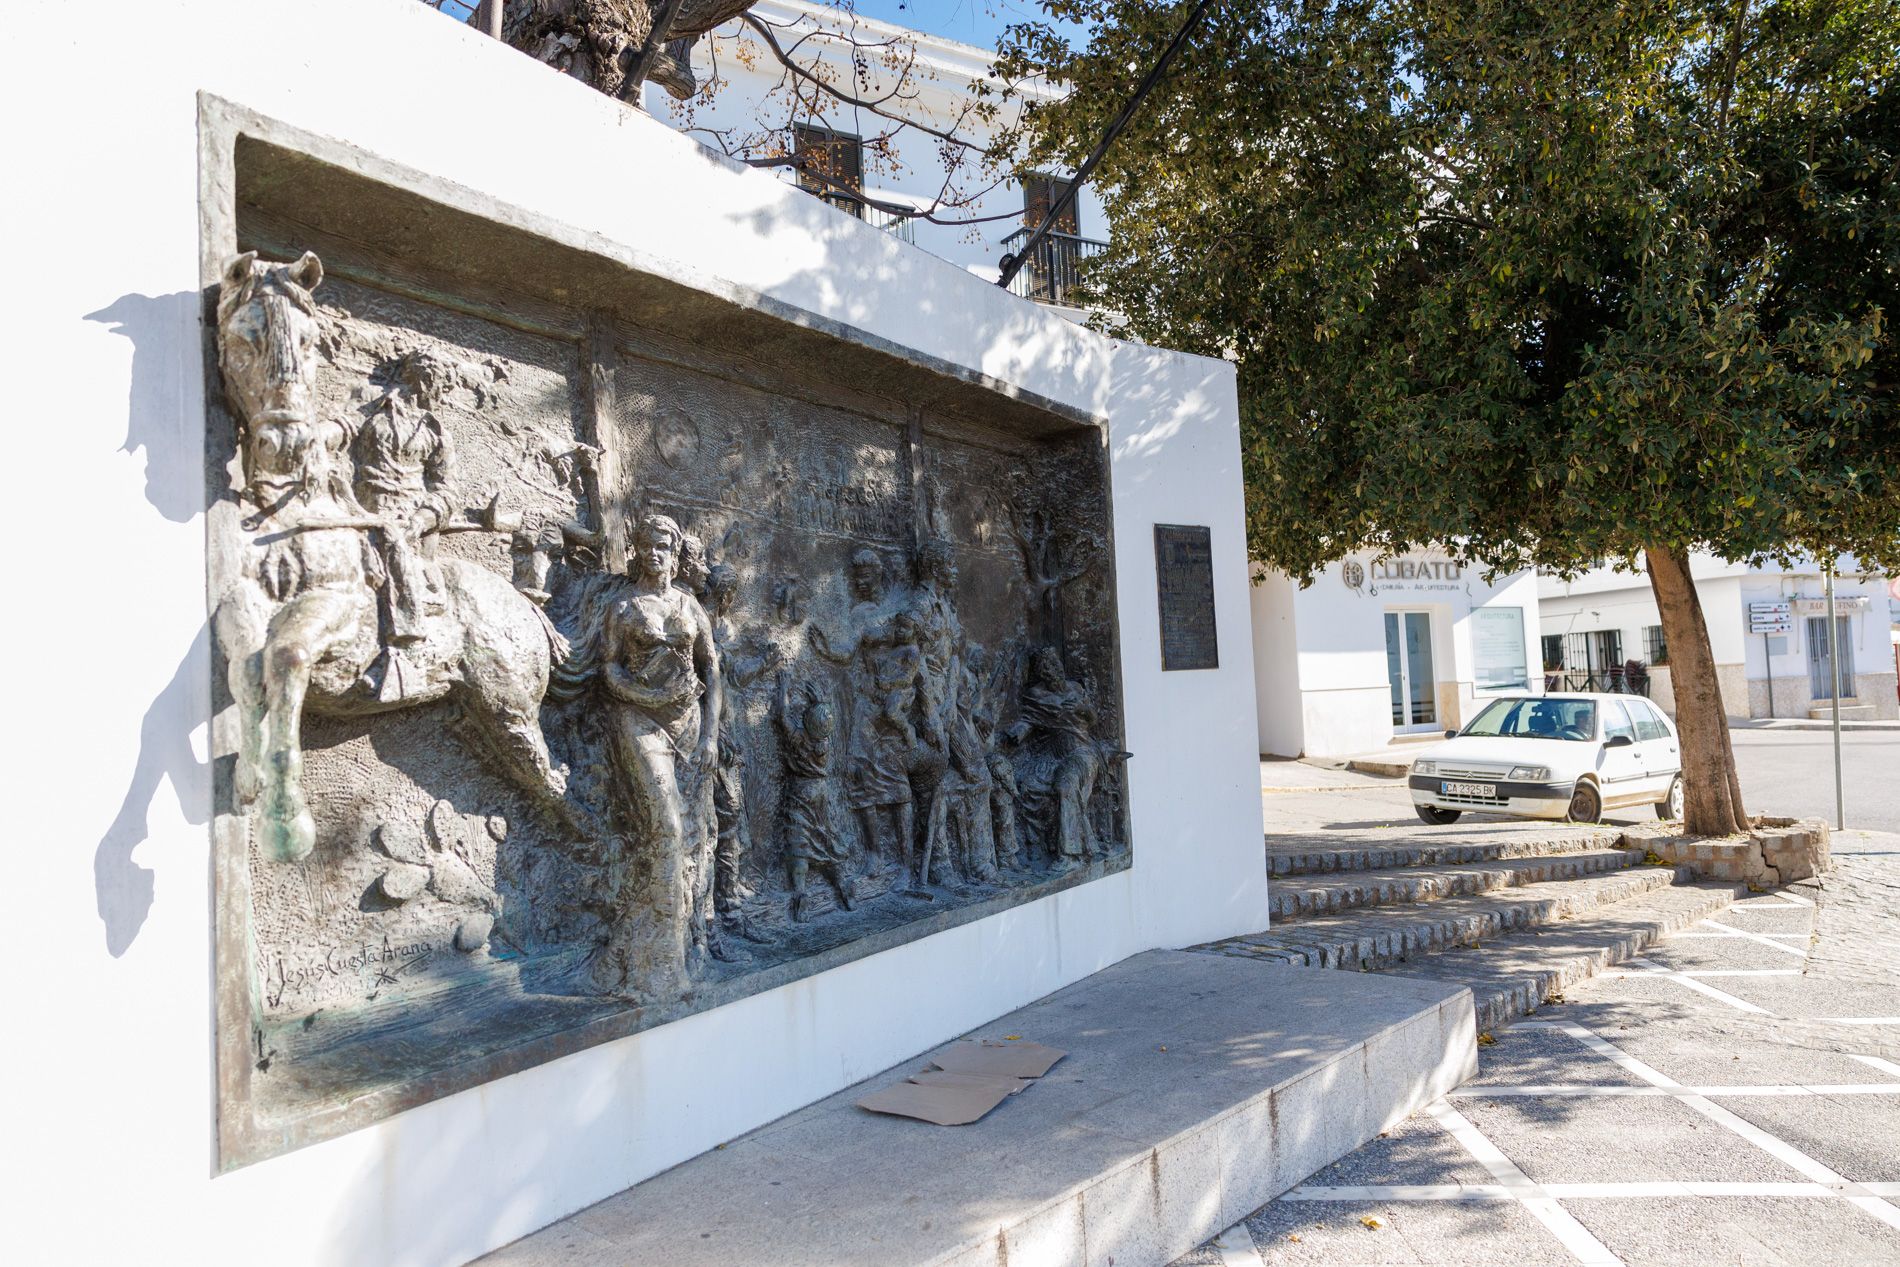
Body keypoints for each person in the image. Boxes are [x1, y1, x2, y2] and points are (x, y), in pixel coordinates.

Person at [592, 513, 721, 998]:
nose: (654, 553)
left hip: (689, 726)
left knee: (691, 837)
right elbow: (608, 671)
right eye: (646, 544)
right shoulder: (623, 607)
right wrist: (645, 700)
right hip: (639, 720)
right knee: (666, 829)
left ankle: (655, 943)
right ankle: (663, 967)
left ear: (675, 551)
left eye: (663, 545)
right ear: (637, 550)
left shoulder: (690, 607)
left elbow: (712, 671)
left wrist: (710, 736)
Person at [811, 548, 917, 876]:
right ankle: (875, 854)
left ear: (879, 575)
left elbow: (915, 653)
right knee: (860, 773)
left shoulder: (899, 607)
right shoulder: (860, 614)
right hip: (868, 705)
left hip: (895, 703)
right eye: (857, 580)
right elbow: (849, 651)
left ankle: (907, 855)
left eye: (866, 577)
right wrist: (827, 650)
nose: (861, 584)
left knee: (897, 778)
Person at [354, 348, 456, 648]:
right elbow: (344, 428)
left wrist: (422, 519)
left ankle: (405, 641)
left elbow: (447, 491)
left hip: (408, 523)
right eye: (441, 384)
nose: (442, 393)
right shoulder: (371, 404)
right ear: (425, 380)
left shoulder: (438, 435)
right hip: (361, 507)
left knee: (396, 551)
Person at [1009, 647, 1104, 870]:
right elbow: (1029, 721)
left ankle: (1071, 854)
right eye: (1047, 668)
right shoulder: (1037, 696)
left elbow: (1093, 720)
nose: (1052, 671)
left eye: (1055, 666)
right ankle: (1035, 845)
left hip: (1081, 752)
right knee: (1027, 785)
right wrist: (1016, 732)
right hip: (1052, 755)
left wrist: (1083, 708)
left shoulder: (1076, 689)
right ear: (1041, 673)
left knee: (1066, 784)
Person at [777, 673, 854, 922]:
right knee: (826, 836)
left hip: (800, 791)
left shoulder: (799, 739)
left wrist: (784, 689)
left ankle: (801, 894)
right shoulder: (824, 743)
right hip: (820, 792)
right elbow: (825, 721)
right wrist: (819, 703)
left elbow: (781, 717)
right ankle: (842, 885)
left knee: (798, 839)